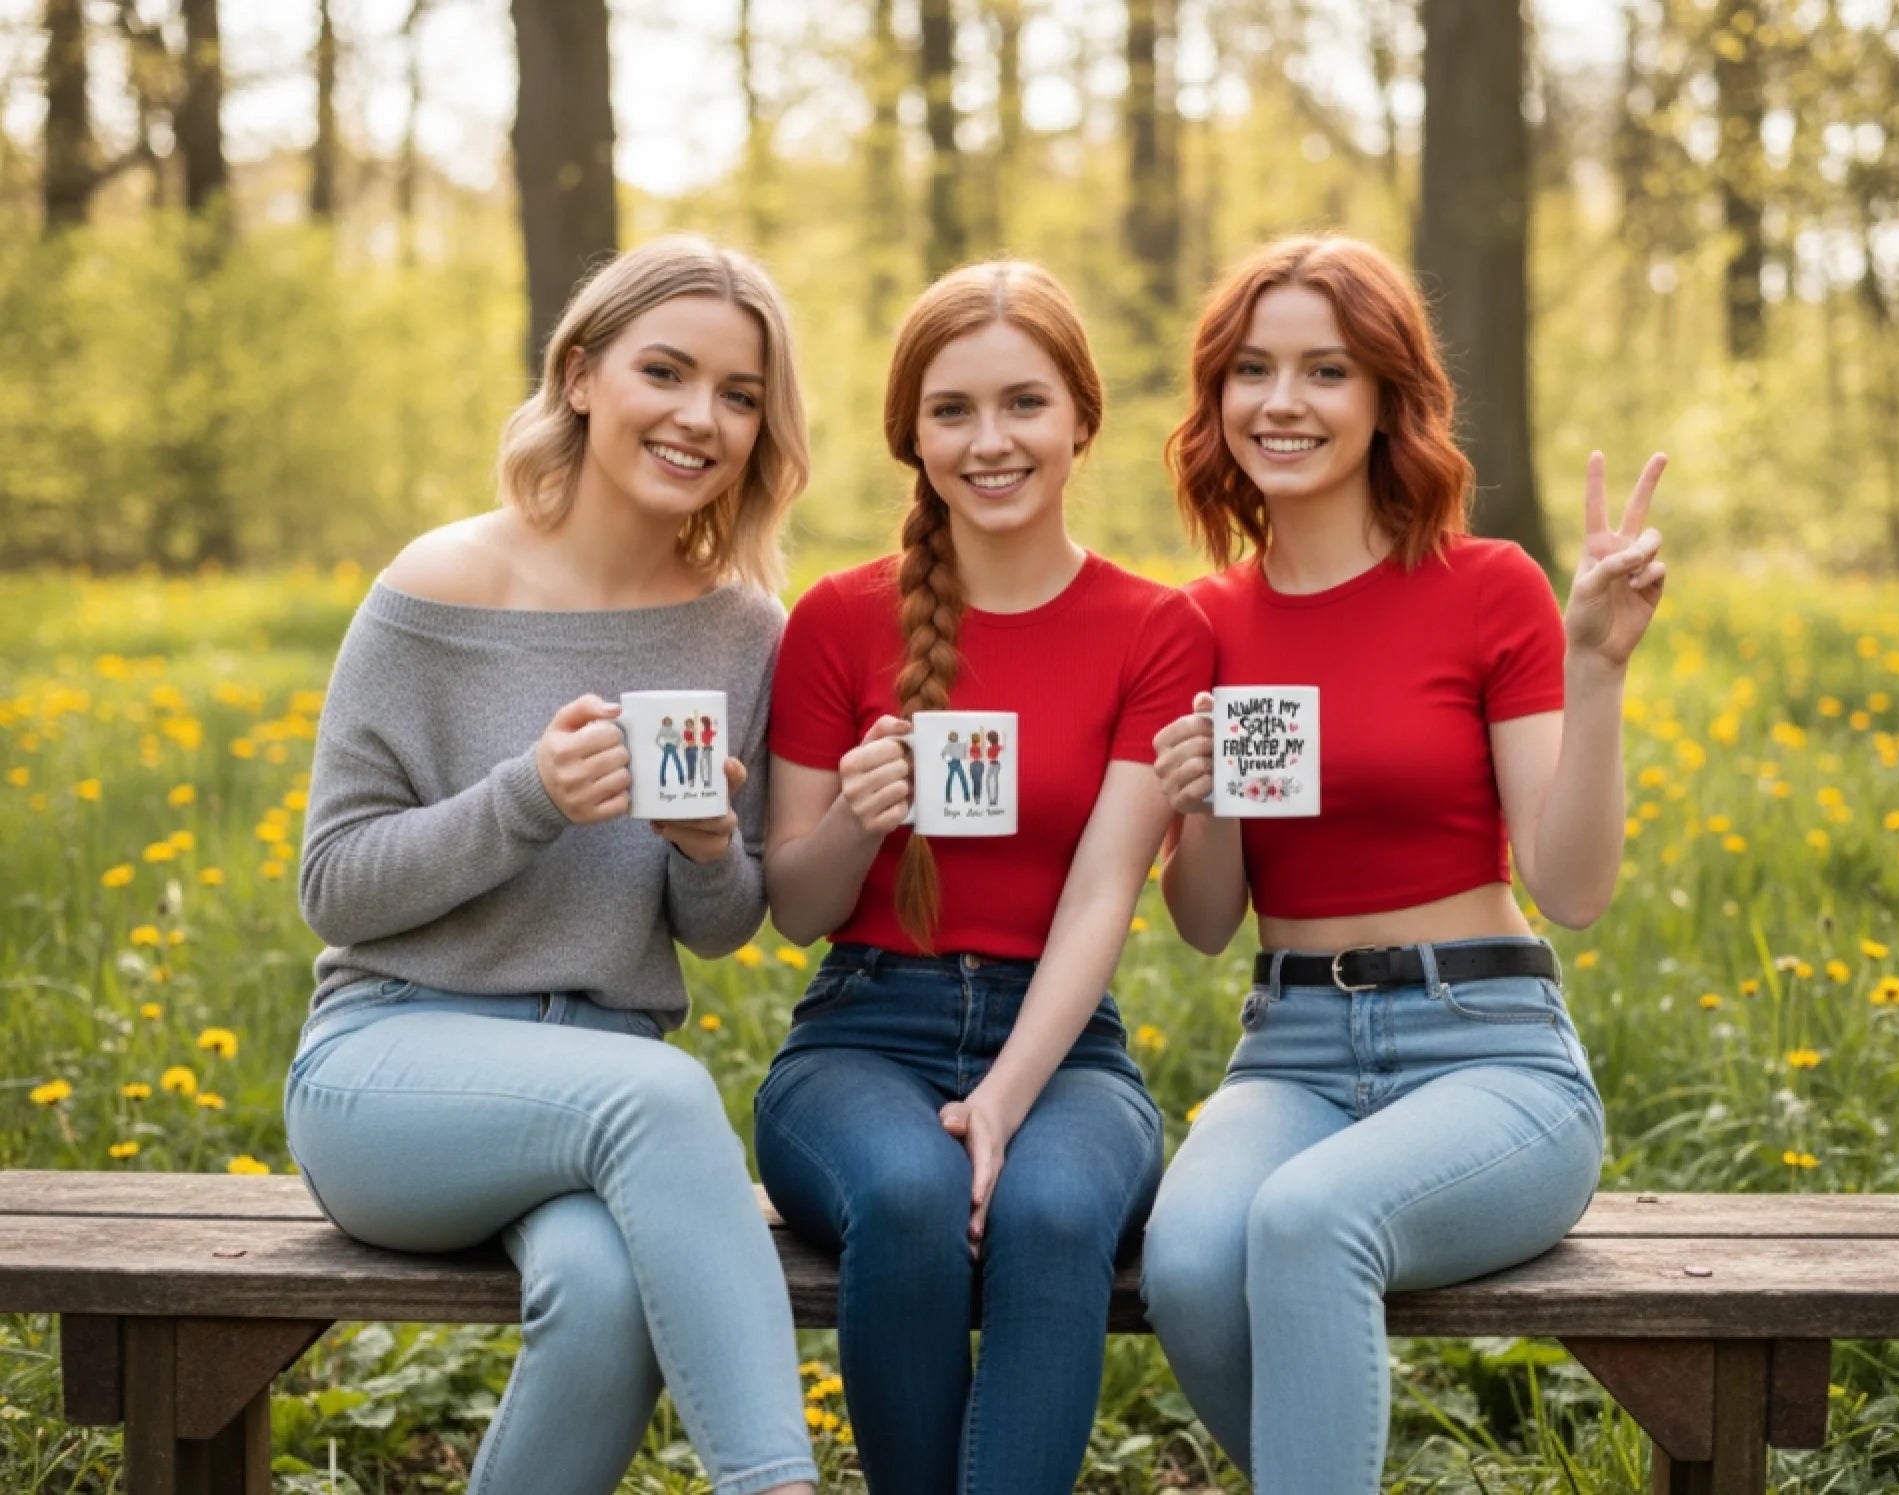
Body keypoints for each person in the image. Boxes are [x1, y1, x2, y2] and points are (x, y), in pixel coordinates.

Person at [287, 235, 819, 1495]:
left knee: (601, 1291)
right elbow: (336, 884)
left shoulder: (744, 629)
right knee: (667, 1095)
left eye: (739, 396)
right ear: (581, 375)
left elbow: (724, 923)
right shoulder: (437, 585)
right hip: (391, 1071)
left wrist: (700, 852)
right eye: (666, 371)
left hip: (596, 1099)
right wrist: (524, 799)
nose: (701, 417)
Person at [1140, 235, 1667, 1491]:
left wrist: (1596, 669)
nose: (1283, 402)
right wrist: (1199, 802)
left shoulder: (1485, 588)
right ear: (1215, 400)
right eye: (1252, 370)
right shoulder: (1202, 621)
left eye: (1325, 370)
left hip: (1487, 1046)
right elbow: (1207, 924)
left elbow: (1572, 888)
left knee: (1309, 1220)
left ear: (1384, 397)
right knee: (1186, 1258)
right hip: (1291, 1049)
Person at [755, 259, 1214, 1495]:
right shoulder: (835, 620)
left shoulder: (1156, 629)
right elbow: (796, 907)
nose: (988, 439)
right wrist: (860, 813)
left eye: (1023, 403)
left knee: (1052, 1216)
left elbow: (1102, 895)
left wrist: (1004, 1100)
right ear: (909, 432)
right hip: (859, 1035)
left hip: (1066, 1049)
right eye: (951, 409)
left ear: (1080, 418)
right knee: (906, 1194)